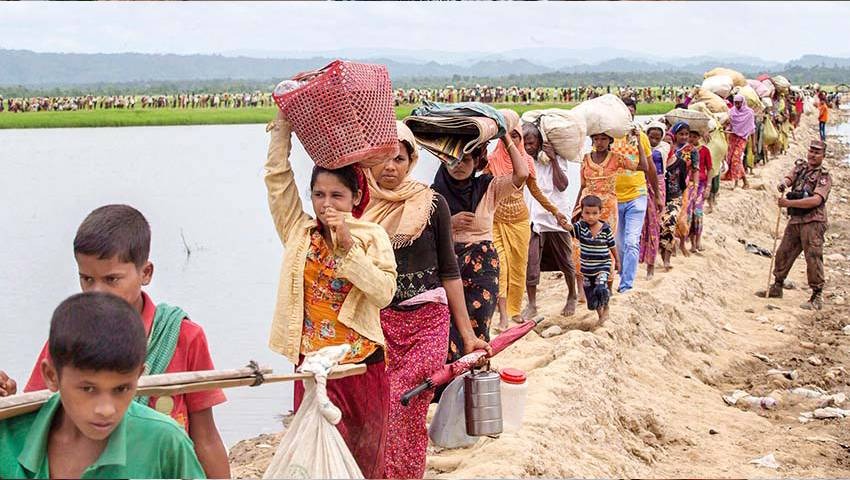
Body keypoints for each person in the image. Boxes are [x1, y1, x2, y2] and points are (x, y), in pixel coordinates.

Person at [3, 204, 229, 478]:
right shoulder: (71, 337)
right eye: (87, 279)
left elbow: (206, 436)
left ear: (145, 273)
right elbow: (41, 408)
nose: (97, 292)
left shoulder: (182, 336)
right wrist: (12, 401)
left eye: (111, 279)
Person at [264, 112, 397, 478]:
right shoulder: (299, 231)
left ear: (355, 197)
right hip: (314, 367)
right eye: (319, 195)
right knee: (313, 461)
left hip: (361, 365)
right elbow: (277, 182)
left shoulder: (372, 236)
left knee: (364, 459)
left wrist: (349, 249)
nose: (327, 205)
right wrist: (283, 127)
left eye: (337, 195)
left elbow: (384, 293)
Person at [361, 122, 490, 479]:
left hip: (427, 321)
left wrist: (467, 337)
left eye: (399, 158)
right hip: (379, 323)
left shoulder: (431, 204)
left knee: (405, 401)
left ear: (411, 160)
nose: (391, 166)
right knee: (382, 408)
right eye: (383, 159)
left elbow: (450, 272)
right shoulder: (360, 209)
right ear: (368, 163)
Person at [0, 292, 205, 479]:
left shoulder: (165, 442)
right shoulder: (7, 438)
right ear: (51, 376)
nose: (106, 410)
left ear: (139, 376)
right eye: (88, 389)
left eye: (121, 389)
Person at [432, 125, 529, 362]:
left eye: (465, 159)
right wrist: (448, 223)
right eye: (452, 160)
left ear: (477, 162)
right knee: (446, 327)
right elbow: (424, 234)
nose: (458, 165)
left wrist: (505, 136)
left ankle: (475, 380)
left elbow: (522, 174)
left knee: (478, 327)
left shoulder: (489, 187)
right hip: (445, 267)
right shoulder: (432, 195)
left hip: (482, 270)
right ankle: (447, 386)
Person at [488, 110, 570, 328]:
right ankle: (503, 315)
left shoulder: (526, 162)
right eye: (507, 137)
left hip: (520, 222)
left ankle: (515, 311)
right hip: (496, 222)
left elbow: (536, 192)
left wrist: (556, 212)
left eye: (516, 137)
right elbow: (481, 191)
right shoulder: (491, 161)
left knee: (518, 269)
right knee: (501, 269)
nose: (511, 142)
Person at [572, 131, 642, 301]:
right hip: (586, 206)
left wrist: (639, 143)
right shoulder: (586, 158)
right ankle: (581, 289)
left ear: (610, 140)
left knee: (605, 246)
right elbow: (582, 186)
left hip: (607, 208)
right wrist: (575, 208)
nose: (600, 142)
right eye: (596, 139)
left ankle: (608, 285)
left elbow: (642, 167)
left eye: (603, 138)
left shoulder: (617, 158)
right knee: (578, 247)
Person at [761, 140, 831, 310]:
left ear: (823, 155)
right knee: (784, 252)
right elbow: (790, 177)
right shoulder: (801, 167)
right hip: (796, 219)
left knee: (813, 257)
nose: (813, 155)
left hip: (813, 221)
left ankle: (816, 295)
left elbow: (816, 200)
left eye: (817, 152)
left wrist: (789, 204)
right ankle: (777, 285)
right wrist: (784, 183)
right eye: (811, 151)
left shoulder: (824, 176)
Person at [521, 123, 578, 318]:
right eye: (525, 144)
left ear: (539, 142)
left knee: (565, 260)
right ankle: (532, 304)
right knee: (531, 262)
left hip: (557, 218)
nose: (528, 147)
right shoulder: (525, 161)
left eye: (531, 143)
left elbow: (562, 186)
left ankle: (572, 295)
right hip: (534, 217)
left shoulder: (556, 159)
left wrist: (553, 160)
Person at [611, 98, 661, 293]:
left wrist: (657, 195)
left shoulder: (641, 138)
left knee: (632, 242)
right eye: (625, 112)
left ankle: (626, 285)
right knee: (618, 243)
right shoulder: (609, 137)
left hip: (636, 195)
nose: (628, 115)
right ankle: (623, 273)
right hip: (614, 198)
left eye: (631, 112)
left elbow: (649, 168)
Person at [563, 195, 619, 324]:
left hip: (603, 266)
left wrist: (618, 261)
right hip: (587, 270)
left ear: (600, 213)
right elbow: (569, 229)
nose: (591, 216)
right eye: (587, 213)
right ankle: (600, 315)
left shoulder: (605, 229)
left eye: (594, 213)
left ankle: (606, 307)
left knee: (601, 288)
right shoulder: (580, 227)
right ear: (581, 213)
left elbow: (612, 246)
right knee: (591, 295)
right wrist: (562, 222)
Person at [659, 122, 699, 270]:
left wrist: (687, 195)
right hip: (658, 197)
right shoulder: (656, 159)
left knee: (671, 224)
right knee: (660, 227)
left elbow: (683, 182)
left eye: (686, 134)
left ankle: (667, 258)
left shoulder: (683, 160)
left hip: (675, 197)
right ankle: (662, 252)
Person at [641, 122, 670, 279]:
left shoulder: (664, 148)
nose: (654, 141)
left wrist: (658, 195)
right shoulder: (641, 146)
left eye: (657, 138)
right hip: (641, 183)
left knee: (654, 224)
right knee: (641, 224)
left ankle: (650, 265)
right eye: (651, 137)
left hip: (658, 184)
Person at [687, 129, 713, 253]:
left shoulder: (705, 150)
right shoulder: (685, 151)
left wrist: (708, 186)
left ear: (699, 137)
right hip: (687, 185)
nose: (691, 139)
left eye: (694, 136)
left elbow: (710, 169)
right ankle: (692, 242)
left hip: (700, 185)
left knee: (697, 213)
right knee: (689, 214)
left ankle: (698, 240)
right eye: (689, 136)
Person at [723, 94, 755, 190]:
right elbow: (730, 124)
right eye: (735, 103)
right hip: (732, 137)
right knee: (730, 159)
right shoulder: (732, 112)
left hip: (742, 138)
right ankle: (743, 181)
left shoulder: (749, 113)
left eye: (739, 103)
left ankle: (738, 181)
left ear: (743, 102)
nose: (737, 105)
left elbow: (752, 129)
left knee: (736, 159)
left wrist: (753, 144)